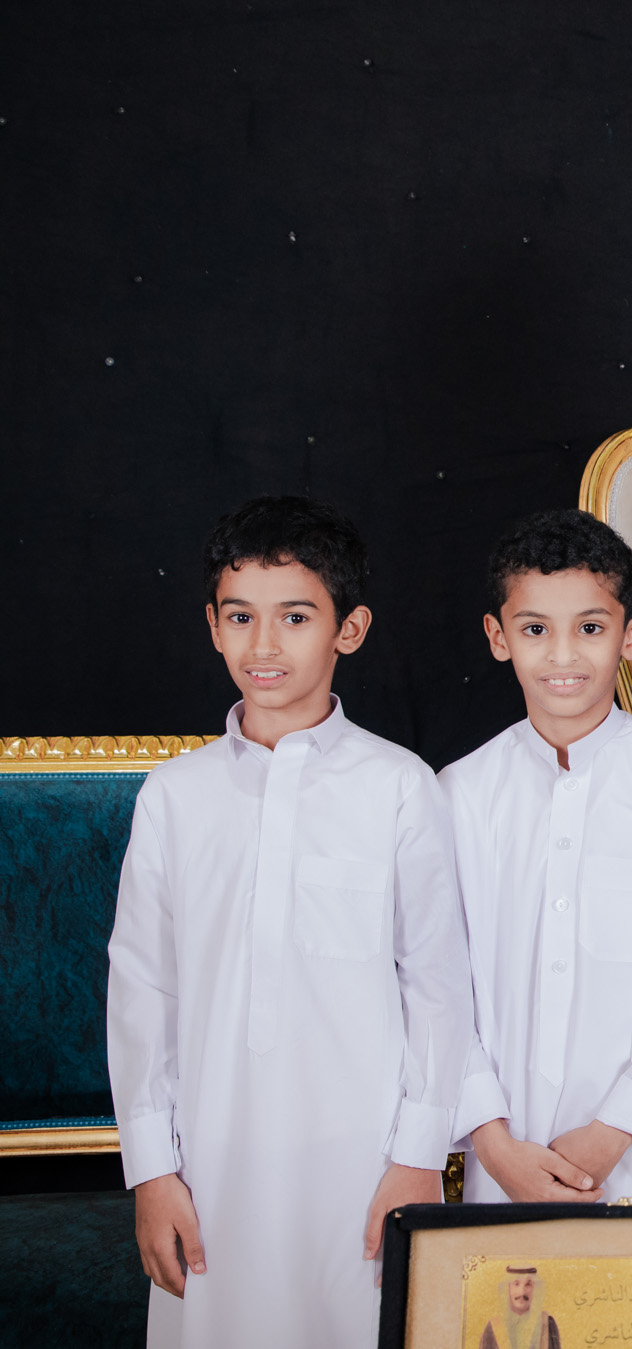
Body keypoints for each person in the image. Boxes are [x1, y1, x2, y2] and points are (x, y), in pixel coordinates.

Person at [106, 496, 472, 1347]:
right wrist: (152, 1169)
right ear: (213, 626)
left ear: (350, 629)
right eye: (241, 616)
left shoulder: (399, 786)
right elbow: (142, 989)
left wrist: (418, 1153)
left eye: (296, 617)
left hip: (363, 1164)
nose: (264, 644)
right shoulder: (174, 796)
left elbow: (438, 985)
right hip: (211, 1161)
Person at [446, 511, 632, 1204]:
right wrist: (490, 1137)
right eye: (534, 629)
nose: (562, 656)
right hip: (506, 1156)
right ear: (498, 636)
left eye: (589, 628)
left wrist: (616, 1129)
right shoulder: (459, 793)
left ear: (631, 635)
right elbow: (439, 982)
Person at [479, 1266, 561, 1349]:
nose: (522, 1292)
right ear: (508, 1288)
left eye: (528, 1284)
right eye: (516, 1284)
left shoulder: (547, 1324)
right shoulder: (493, 1327)